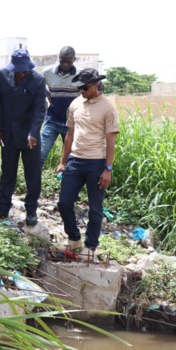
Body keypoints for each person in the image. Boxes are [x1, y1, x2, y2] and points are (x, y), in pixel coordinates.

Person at [56, 68, 119, 261]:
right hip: (75, 160)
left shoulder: (108, 107)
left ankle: (91, 246)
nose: (81, 90)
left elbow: (111, 142)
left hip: (96, 162)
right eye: (79, 87)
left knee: (95, 206)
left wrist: (107, 169)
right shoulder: (75, 104)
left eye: (85, 87)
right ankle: (74, 239)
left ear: (96, 85)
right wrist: (62, 161)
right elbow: (70, 135)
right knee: (64, 202)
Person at [0, 49, 46, 226]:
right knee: (7, 173)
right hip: (8, 133)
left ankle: (31, 210)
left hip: (30, 136)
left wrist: (33, 132)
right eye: (18, 70)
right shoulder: (2, 75)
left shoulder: (38, 80)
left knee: (33, 174)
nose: (21, 73)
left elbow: (40, 109)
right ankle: (3, 208)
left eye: (24, 70)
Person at [40, 46, 79, 168]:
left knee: (72, 158)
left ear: (74, 59)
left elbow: (97, 87)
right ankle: (33, 186)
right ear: (59, 58)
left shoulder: (80, 74)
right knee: (40, 154)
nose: (65, 64)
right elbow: (39, 86)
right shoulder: (48, 72)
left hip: (72, 124)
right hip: (52, 120)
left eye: (68, 61)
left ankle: (66, 184)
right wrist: (47, 95)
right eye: (62, 61)